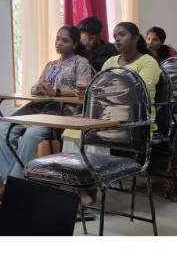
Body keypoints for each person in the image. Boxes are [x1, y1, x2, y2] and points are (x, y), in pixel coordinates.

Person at [0, 25, 92, 208]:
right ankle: (16, 186)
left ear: (74, 44)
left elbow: (84, 91)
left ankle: (8, 190)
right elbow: (35, 86)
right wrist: (39, 89)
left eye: (64, 40)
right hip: (38, 106)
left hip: (61, 110)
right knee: (2, 129)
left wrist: (56, 92)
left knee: (32, 134)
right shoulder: (51, 65)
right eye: (57, 38)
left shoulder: (80, 63)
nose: (58, 43)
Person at [63, 22, 160, 207]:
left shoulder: (148, 62)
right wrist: (88, 91)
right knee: (73, 128)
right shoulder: (110, 62)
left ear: (135, 38)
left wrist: (100, 90)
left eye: (122, 35)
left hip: (135, 120)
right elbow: (98, 89)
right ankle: (77, 188)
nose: (117, 40)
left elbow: (138, 94)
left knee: (95, 131)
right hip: (105, 115)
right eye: (115, 36)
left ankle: (90, 190)